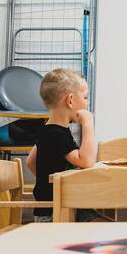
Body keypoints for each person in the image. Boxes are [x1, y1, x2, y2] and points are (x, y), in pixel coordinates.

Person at [26, 68, 97, 222]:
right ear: (70, 101)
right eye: (85, 97)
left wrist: (51, 182)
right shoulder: (57, 134)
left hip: (51, 209)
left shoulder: (48, 130)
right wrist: (88, 124)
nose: (87, 102)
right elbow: (87, 161)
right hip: (55, 213)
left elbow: (30, 161)